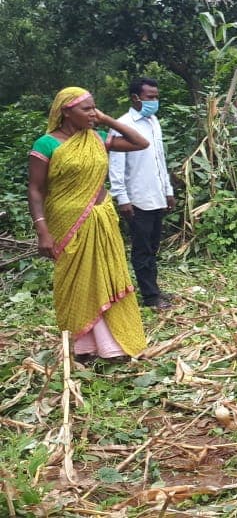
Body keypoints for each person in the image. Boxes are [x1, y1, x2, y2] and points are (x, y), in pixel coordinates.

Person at [27, 87, 151, 362]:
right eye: (86, 109)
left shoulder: (97, 138)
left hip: (102, 218)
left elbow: (140, 143)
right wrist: (42, 231)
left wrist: (106, 120)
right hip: (67, 220)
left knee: (106, 278)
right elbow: (35, 190)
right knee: (77, 281)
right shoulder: (46, 144)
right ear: (65, 111)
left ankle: (111, 347)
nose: (92, 113)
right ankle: (84, 347)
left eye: (95, 108)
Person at [109, 77, 177, 310]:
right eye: (150, 97)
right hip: (137, 199)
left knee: (153, 245)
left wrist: (167, 191)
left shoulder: (153, 121)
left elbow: (160, 160)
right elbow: (116, 166)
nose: (154, 101)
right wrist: (122, 198)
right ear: (135, 98)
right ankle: (150, 297)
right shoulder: (123, 124)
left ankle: (153, 288)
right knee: (142, 248)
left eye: (156, 97)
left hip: (156, 195)